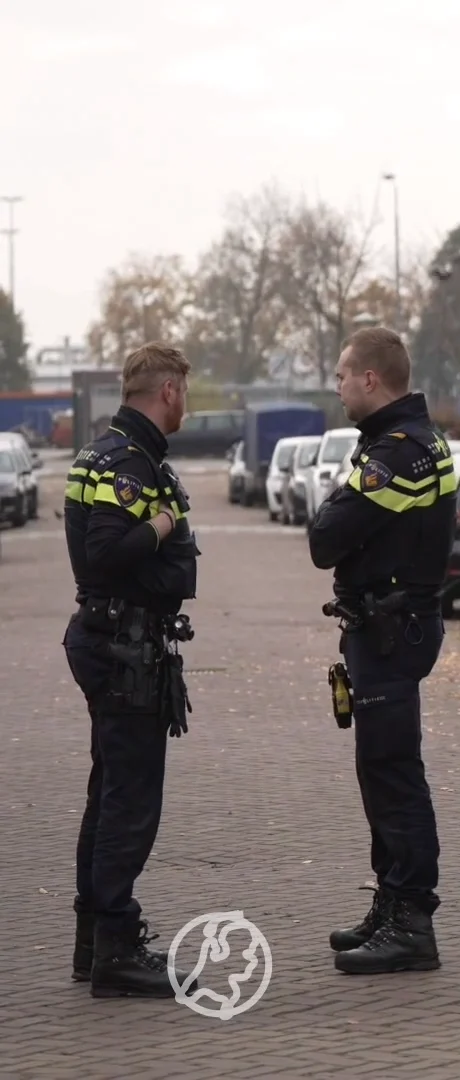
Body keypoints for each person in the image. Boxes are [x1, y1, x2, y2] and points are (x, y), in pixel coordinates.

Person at [307, 326, 457, 975]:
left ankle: (411, 922)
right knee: (381, 768)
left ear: (371, 379)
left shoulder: (397, 455)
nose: (336, 384)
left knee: (393, 772)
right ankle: (391, 902)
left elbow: (325, 539)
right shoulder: (408, 442)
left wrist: (336, 508)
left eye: (342, 374)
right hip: (391, 628)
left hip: (392, 633)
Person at [62, 342, 201, 998]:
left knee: (110, 790)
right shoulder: (128, 462)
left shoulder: (111, 453)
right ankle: (116, 944)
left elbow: (178, 567)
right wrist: (168, 523)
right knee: (130, 800)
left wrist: (170, 548)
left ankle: (95, 940)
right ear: (169, 390)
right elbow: (107, 553)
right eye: (186, 392)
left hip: (112, 639)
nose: (187, 405)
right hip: (123, 646)